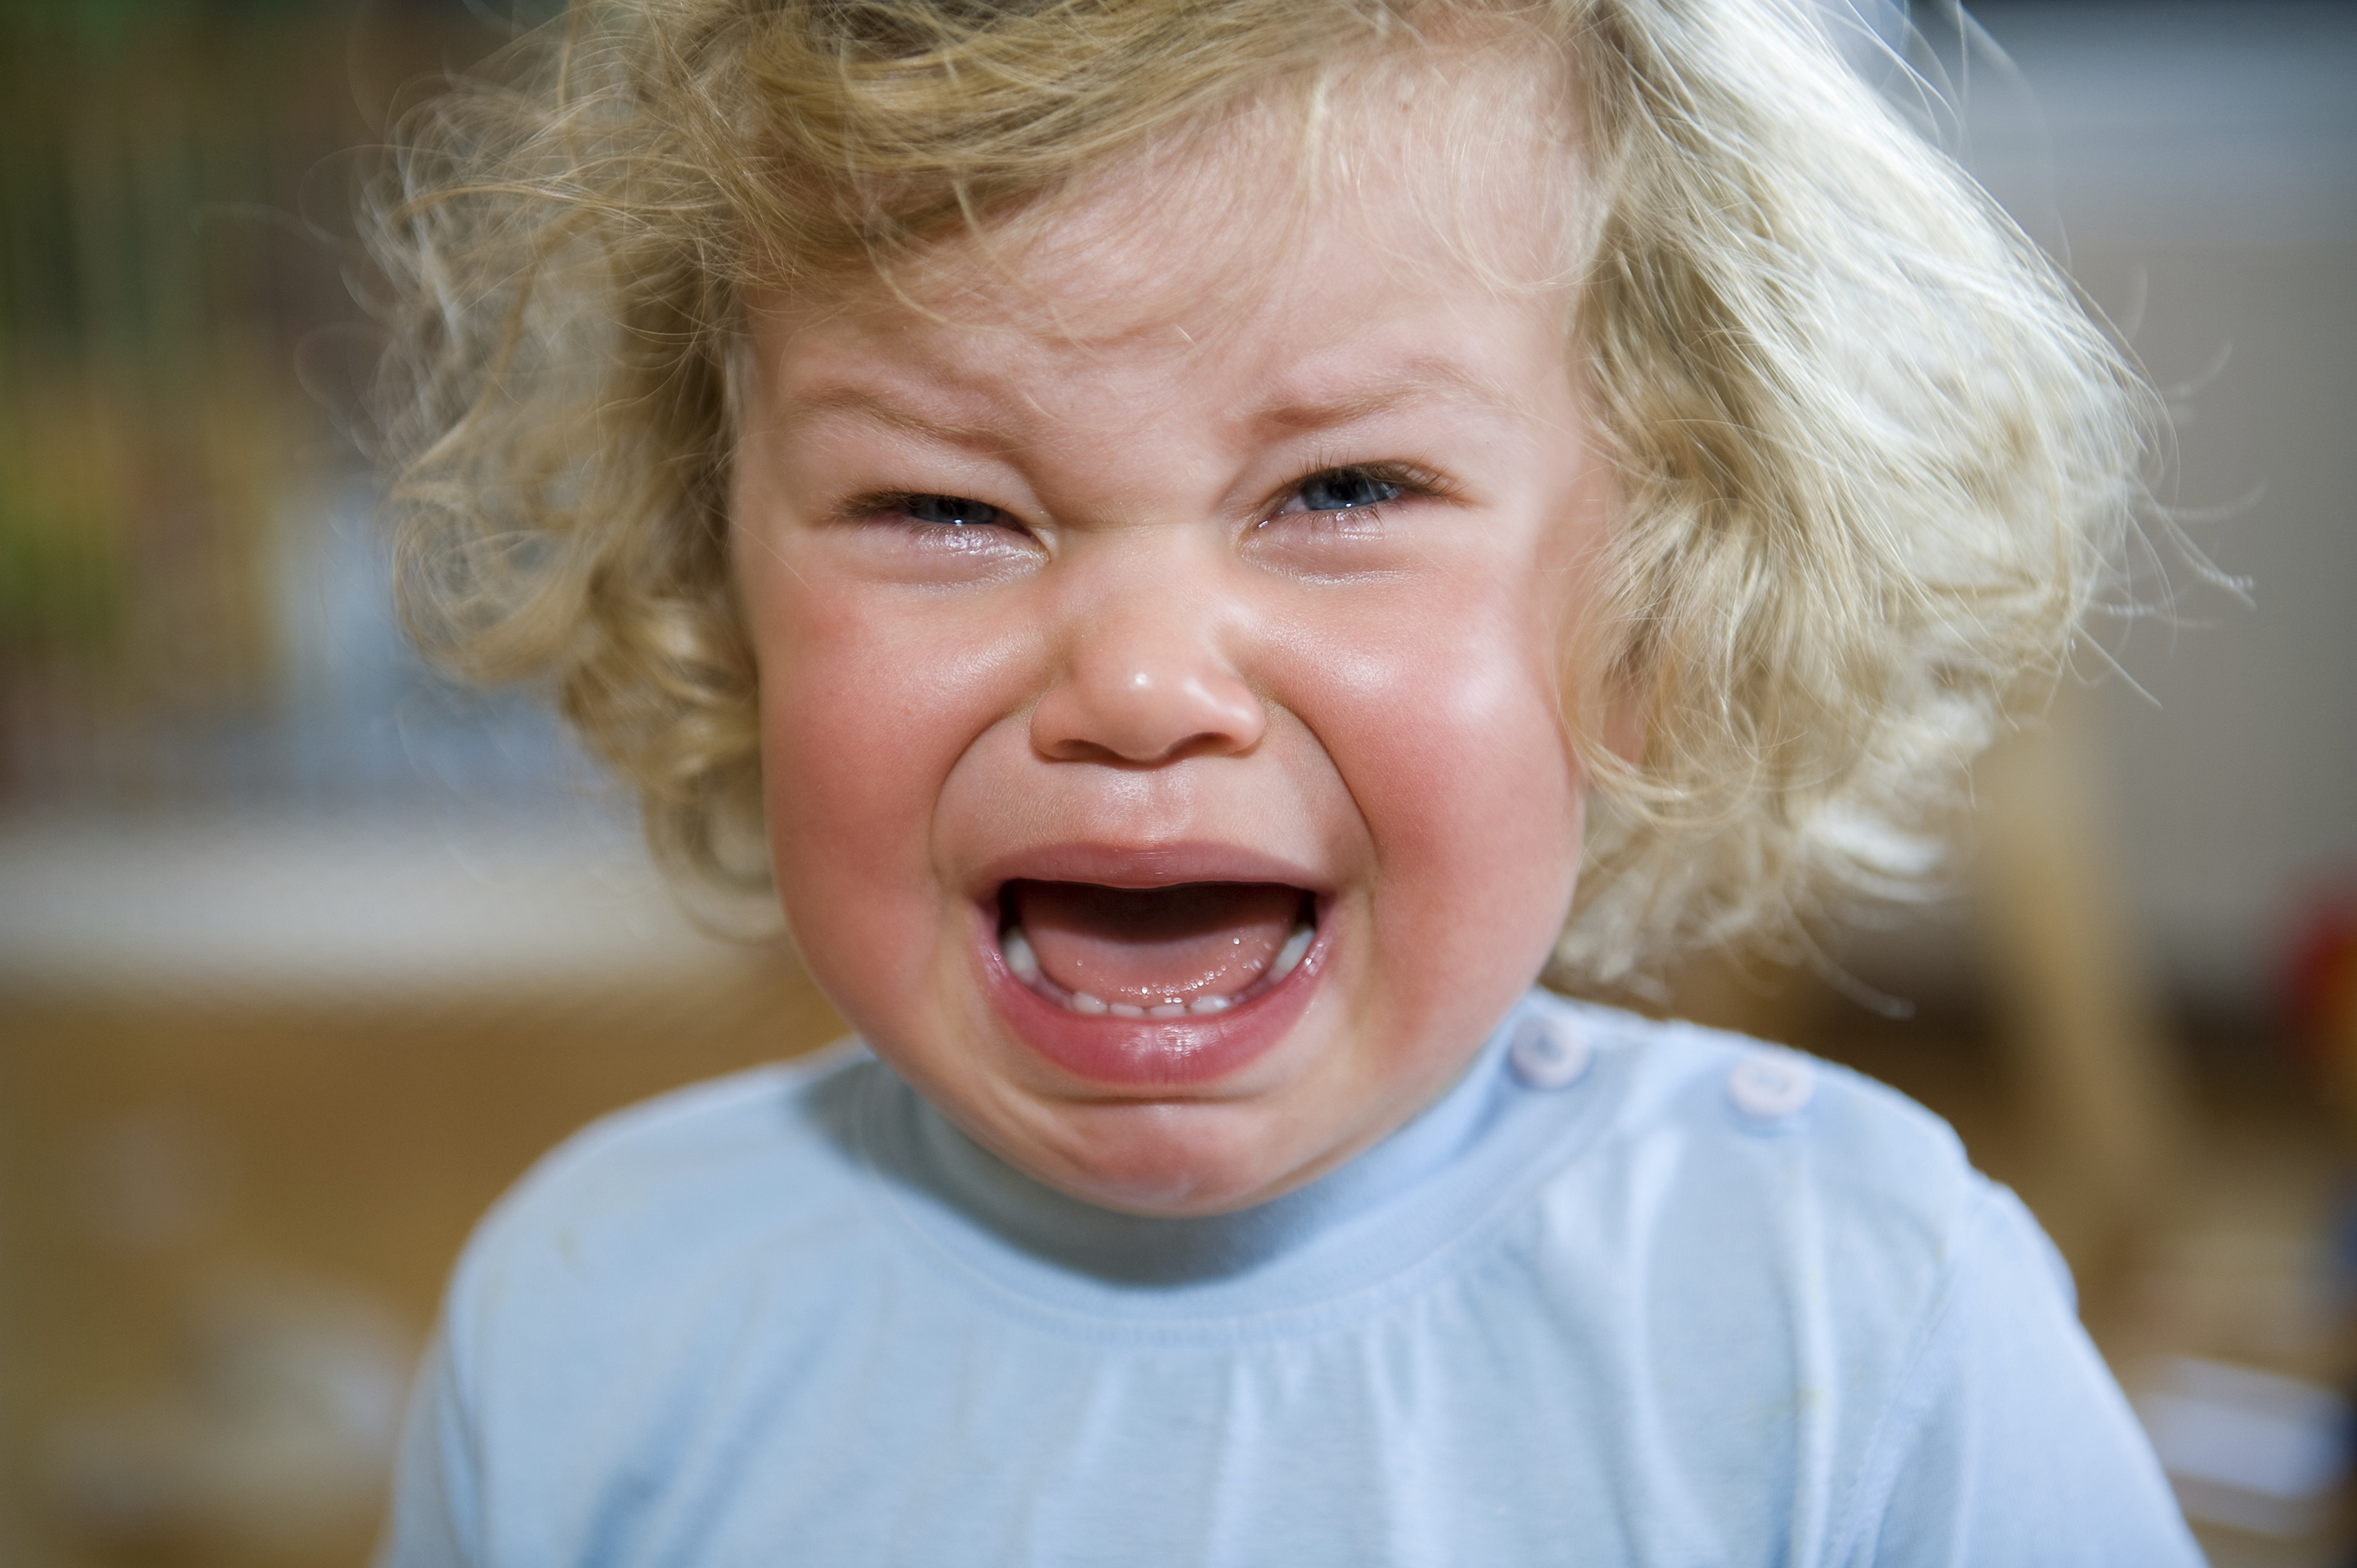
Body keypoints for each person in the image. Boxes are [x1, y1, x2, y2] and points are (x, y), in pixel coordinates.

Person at [369, 0, 2201, 1559]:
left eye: (1342, 493)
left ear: (1657, 606)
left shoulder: (1865, 1329)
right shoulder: (588, 1333)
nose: (1142, 682)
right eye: (941, 507)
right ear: (723, 584)